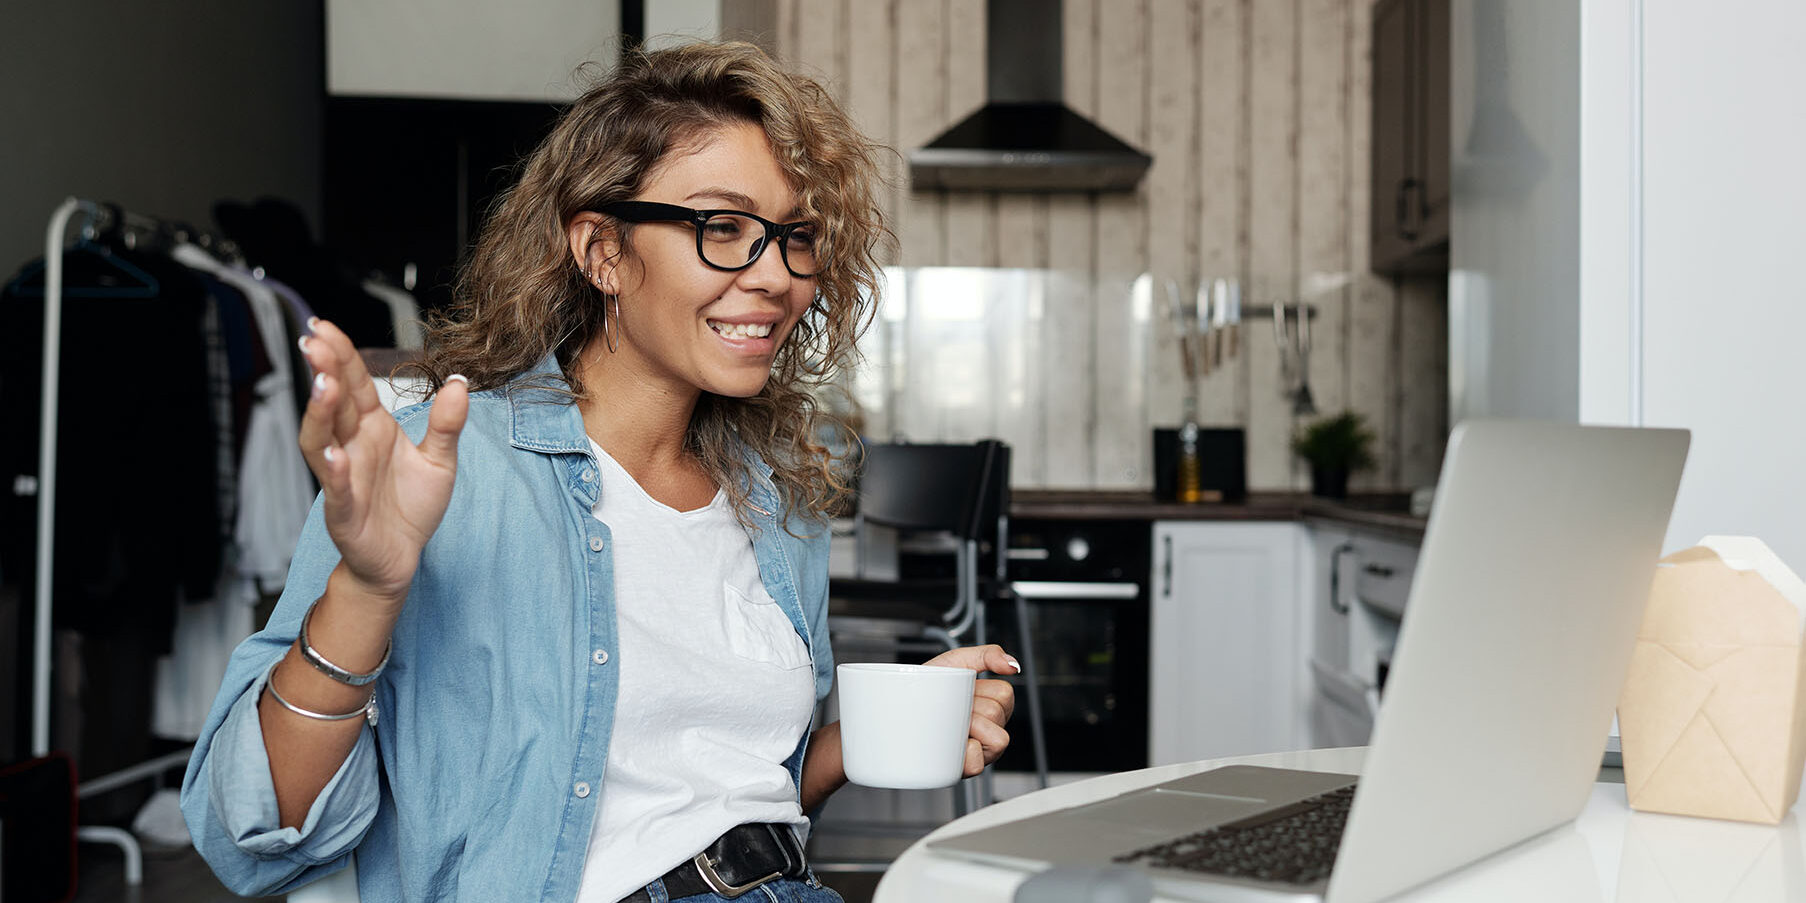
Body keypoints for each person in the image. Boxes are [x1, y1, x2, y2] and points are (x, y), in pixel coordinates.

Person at [180, 41, 1017, 903]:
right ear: (602, 251)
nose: (774, 273)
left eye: (795, 235)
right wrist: (366, 586)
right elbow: (247, 835)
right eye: (721, 227)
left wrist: (864, 740)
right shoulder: (442, 468)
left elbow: (722, 800)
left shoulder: (776, 502)